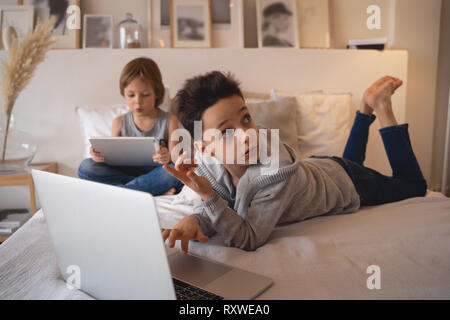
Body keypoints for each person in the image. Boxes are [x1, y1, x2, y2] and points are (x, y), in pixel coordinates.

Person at [161, 71, 427, 253]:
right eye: (226, 132)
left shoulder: (275, 172)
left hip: (349, 183)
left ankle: (381, 105)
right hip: (322, 168)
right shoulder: (208, 166)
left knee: (413, 185)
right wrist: (194, 221)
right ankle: (364, 107)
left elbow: (249, 237)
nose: (245, 136)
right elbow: (220, 207)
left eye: (245, 119)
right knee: (348, 161)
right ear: (204, 148)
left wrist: (206, 195)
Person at [78, 57, 183, 196]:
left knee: (176, 171)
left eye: (145, 95)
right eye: (131, 95)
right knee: (86, 167)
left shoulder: (169, 120)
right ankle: (150, 190)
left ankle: (122, 192)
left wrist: (167, 156)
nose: (138, 102)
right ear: (124, 94)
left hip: (157, 172)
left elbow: (175, 158)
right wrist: (98, 156)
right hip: (125, 172)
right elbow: (111, 160)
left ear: (157, 93)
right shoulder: (119, 122)